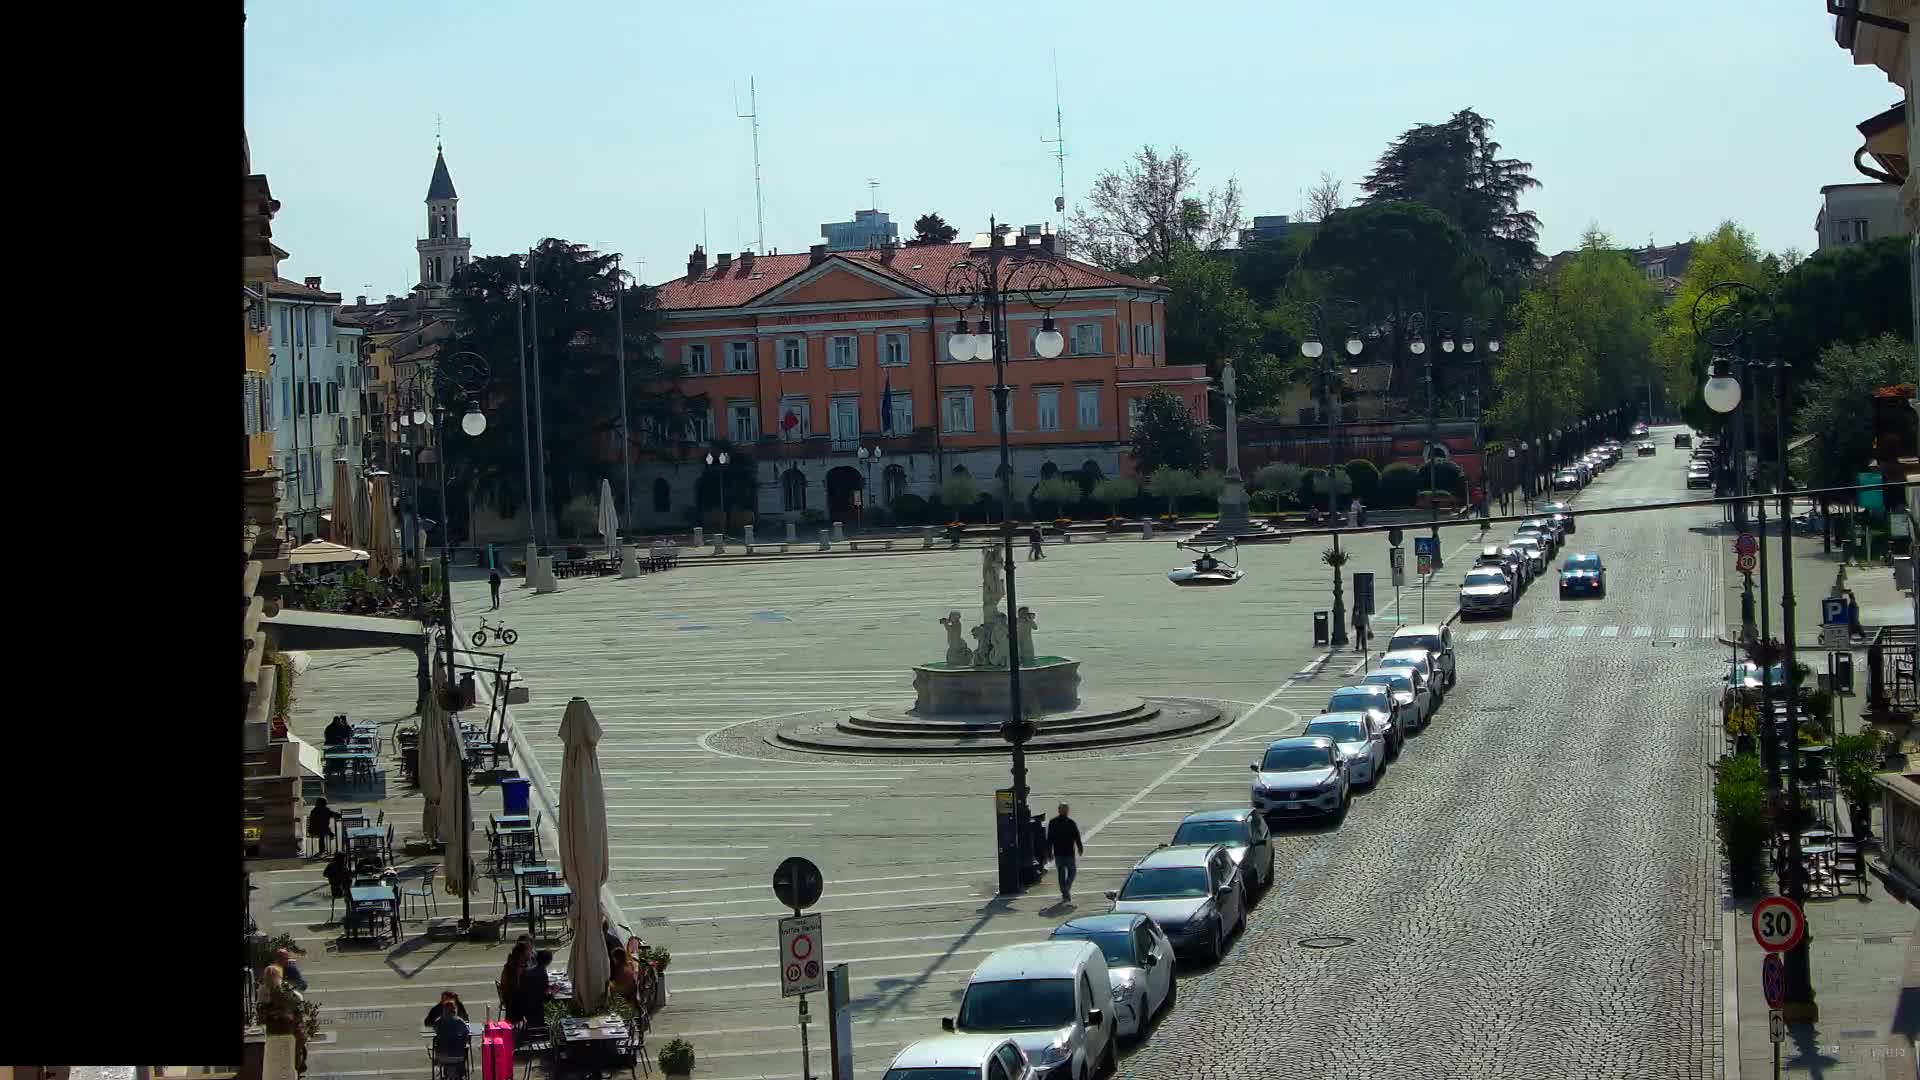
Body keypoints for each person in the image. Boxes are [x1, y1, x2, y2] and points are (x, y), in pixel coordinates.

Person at [426, 990, 472, 1076]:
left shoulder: (438, 1022)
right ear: (454, 1009)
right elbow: (467, 1034)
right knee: (464, 1046)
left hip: (441, 1056)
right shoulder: (460, 1022)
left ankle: (448, 1072)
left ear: (444, 1009)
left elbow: (435, 1030)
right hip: (459, 1056)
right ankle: (461, 1071)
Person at [1046, 802, 1084, 905]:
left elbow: (1049, 839)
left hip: (1060, 853)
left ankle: (1065, 891)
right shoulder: (1070, 822)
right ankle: (1066, 890)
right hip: (1067, 853)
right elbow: (1077, 837)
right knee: (1071, 872)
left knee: (1062, 874)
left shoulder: (1053, 822)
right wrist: (1080, 847)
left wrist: (1049, 853)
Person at [497, 936, 532, 1019]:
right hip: (513, 1002)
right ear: (521, 955)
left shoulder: (511, 964)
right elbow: (518, 987)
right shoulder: (516, 968)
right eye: (527, 952)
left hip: (510, 998)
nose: (529, 954)